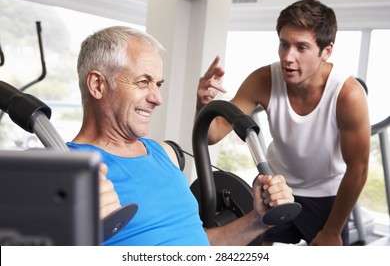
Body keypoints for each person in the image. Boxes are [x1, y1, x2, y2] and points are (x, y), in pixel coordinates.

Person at [66, 26, 294, 246]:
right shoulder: (64, 172)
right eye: (143, 82)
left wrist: (258, 220)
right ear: (98, 85)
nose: (157, 98)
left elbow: (198, 244)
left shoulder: (164, 153)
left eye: (158, 84)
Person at [196, 0, 371, 246]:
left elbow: (359, 168)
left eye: (301, 47)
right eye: (284, 44)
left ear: (326, 51)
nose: (288, 57)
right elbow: (213, 134)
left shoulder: (347, 94)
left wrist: (332, 230)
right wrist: (204, 104)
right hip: (277, 187)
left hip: (325, 195)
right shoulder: (264, 79)